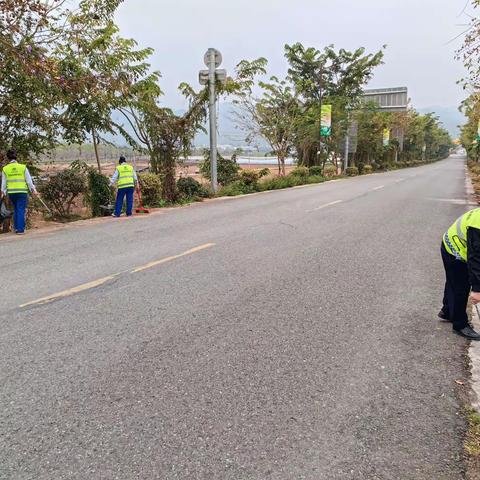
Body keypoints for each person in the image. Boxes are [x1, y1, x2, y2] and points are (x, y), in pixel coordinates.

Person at [441, 208, 480, 340]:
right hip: (453, 250)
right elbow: (475, 258)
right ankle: (460, 324)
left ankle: (447, 311)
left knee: (453, 280)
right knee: (460, 287)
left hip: (453, 243)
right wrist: (476, 289)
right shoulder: (478, 225)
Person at [1, 149, 38, 235]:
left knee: (16, 209)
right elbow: (29, 181)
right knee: (21, 209)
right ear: (16, 157)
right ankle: (20, 230)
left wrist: (2, 192)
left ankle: (16, 228)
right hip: (22, 192)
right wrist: (34, 190)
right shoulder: (23, 167)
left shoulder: (5, 169)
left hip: (12, 193)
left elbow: (4, 183)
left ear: (7, 158)